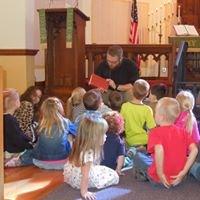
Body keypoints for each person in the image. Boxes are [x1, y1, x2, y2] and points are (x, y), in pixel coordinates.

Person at [134, 97, 198, 188]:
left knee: (138, 156)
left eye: (155, 112)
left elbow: (159, 150)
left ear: (161, 117)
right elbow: (195, 150)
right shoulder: (183, 132)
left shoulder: (155, 132)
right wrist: (183, 172)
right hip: (179, 178)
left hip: (158, 179)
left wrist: (160, 174)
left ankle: (145, 174)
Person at [9, 97, 77, 169]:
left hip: (40, 162)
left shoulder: (40, 124)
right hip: (63, 162)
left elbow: (33, 142)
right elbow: (78, 133)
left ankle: (20, 160)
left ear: (44, 110)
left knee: (35, 145)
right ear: (60, 109)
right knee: (70, 136)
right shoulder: (66, 122)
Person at [63, 116, 119, 199]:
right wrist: (84, 192)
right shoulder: (88, 154)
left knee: (103, 169)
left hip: (72, 175)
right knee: (114, 176)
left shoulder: (81, 144)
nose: (106, 136)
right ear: (93, 137)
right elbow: (85, 176)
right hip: (80, 180)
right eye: (103, 134)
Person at [120, 79, 156, 150]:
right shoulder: (147, 109)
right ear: (147, 94)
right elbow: (152, 128)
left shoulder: (125, 106)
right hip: (145, 140)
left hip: (130, 140)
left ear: (132, 91)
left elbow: (121, 124)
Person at [3, 89, 33, 165]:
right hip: (11, 150)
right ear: (15, 102)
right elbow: (18, 139)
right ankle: (11, 160)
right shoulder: (10, 120)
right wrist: (30, 144)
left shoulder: (5, 118)